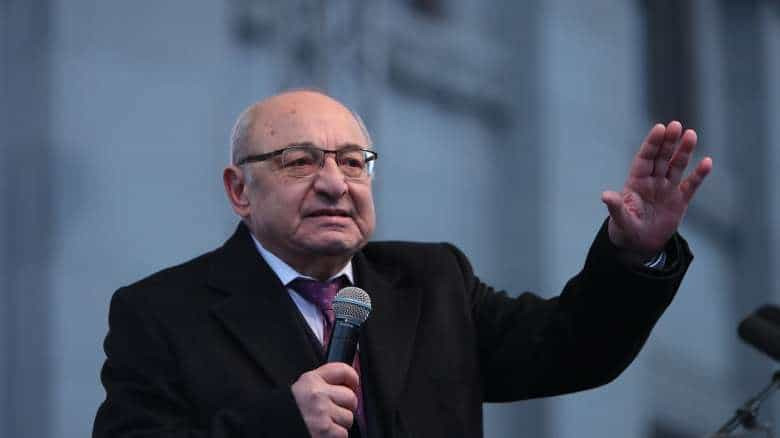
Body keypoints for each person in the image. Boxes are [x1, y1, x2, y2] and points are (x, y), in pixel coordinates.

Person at [93, 90, 712, 438]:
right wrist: (282, 422)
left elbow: (574, 347)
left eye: (353, 162)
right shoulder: (162, 313)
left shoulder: (434, 282)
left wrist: (635, 252)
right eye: (300, 161)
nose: (335, 184)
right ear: (239, 190)